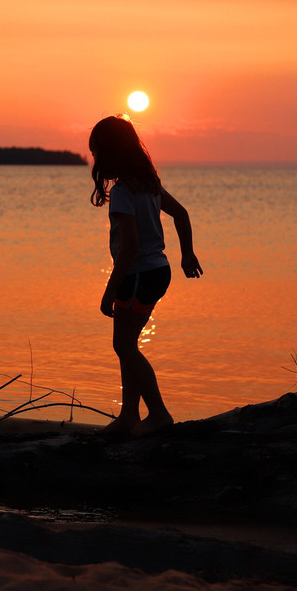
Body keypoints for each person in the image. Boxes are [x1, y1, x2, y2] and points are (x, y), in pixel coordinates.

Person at [89, 115, 202, 437]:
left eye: (96, 153)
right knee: (127, 344)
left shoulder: (124, 191)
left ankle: (159, 414)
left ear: (110, 154)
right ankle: (129, 416)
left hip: (138, 274)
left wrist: (110, 289)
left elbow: (130, 246)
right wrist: (187, 254)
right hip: (157, 271)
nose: (95, 161)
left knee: (124, 346)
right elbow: (181, 213)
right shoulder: (149, 185)